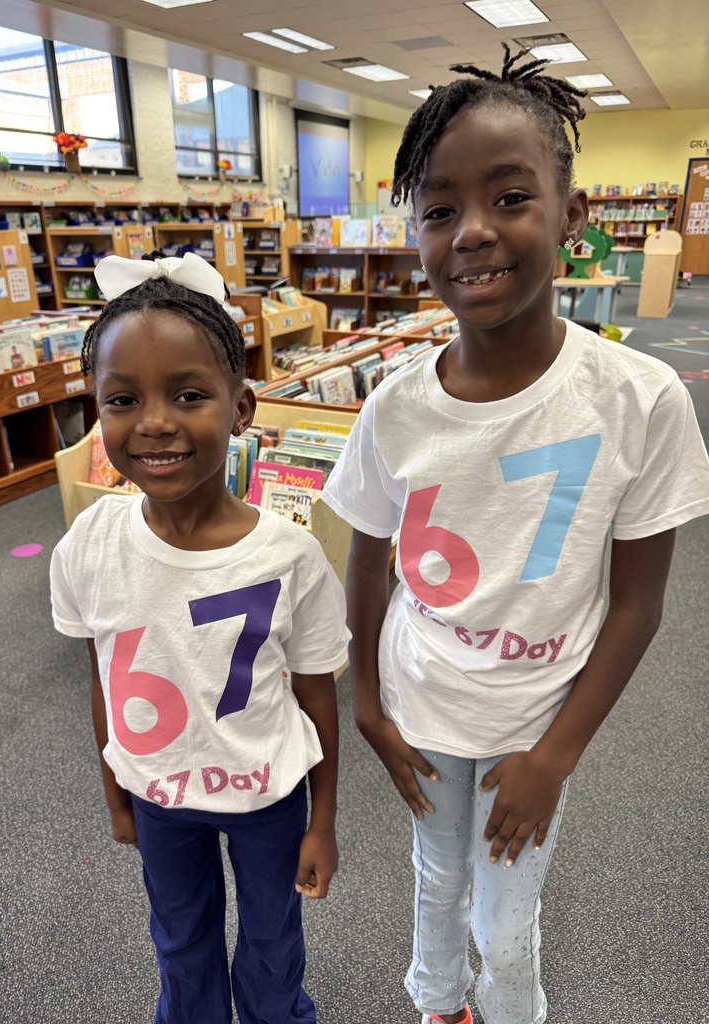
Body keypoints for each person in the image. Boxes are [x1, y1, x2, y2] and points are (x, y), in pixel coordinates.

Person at [321, 45, 709, 1024]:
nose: (473, 232)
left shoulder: (640, 399)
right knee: (434, 880)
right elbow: (370, 549)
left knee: (509, 915)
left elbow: (639, 602)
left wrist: (557, 755)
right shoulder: (395, 407)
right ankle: (436, 1004)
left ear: (573, 216)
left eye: (510, 196)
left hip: (533, 725)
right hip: (420, 701)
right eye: (440, 210)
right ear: (414, 233)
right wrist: (365, 695)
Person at [50, 250, 350, 1024]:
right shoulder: (89, 543)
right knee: (180, 941)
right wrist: (115, 791)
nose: (153, 422)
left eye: (187, 394)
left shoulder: (291, 555)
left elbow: (316, 693)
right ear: (96, 412)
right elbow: (103, 676)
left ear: (242, 408)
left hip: (268, 796)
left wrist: (323, 820)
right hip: (158, 794)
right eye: (121, 399)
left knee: (272, 940)